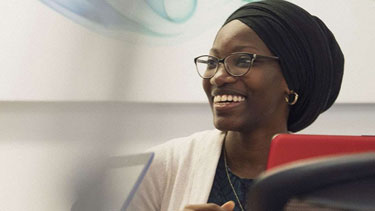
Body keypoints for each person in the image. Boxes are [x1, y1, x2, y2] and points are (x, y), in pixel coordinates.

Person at [128, 0, 344, 210]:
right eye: (213, 62)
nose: (218, 77)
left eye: (242, 61)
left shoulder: (335, 182)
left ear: (290, 78)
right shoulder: (161, 167)